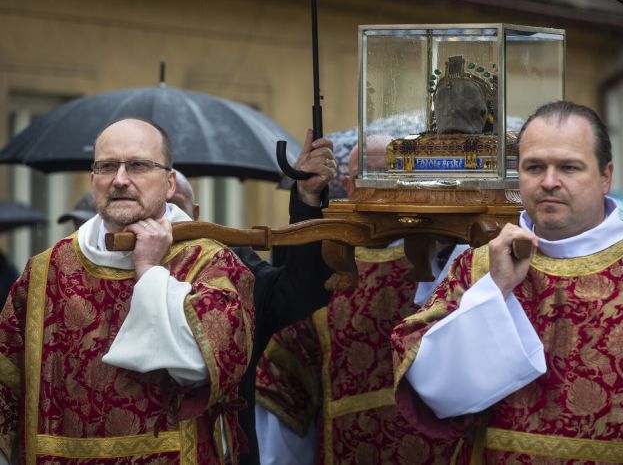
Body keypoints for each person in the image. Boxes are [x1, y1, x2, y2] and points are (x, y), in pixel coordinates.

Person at [391, 101, 623, 464]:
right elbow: (433, 390)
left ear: (606, 176)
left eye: (569, 168)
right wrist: (495, 290)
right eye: (534, 167)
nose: (549, 182)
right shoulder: (479, 266)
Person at [0, 118, 334, 465]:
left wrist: (149, 272)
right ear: (93, 179)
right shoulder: (45, 271)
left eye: (139, 165)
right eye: (107, 166)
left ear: (168, 182)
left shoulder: (214, 262)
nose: (120, 179)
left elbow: (198, 365)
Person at [253, 137, 467, 464]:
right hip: (348, 446)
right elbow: (286, 378)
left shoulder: (449, 256)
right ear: (350, 186)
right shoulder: (332, 260)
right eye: (371, 174)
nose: (383, 186)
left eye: (392, 174)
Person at [168, 167, 336, 465]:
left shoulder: (229, 265)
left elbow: (298, 293)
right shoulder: (98, 273)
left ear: (195, 214)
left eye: (175, 206)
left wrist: (307, 199)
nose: (166, 219)